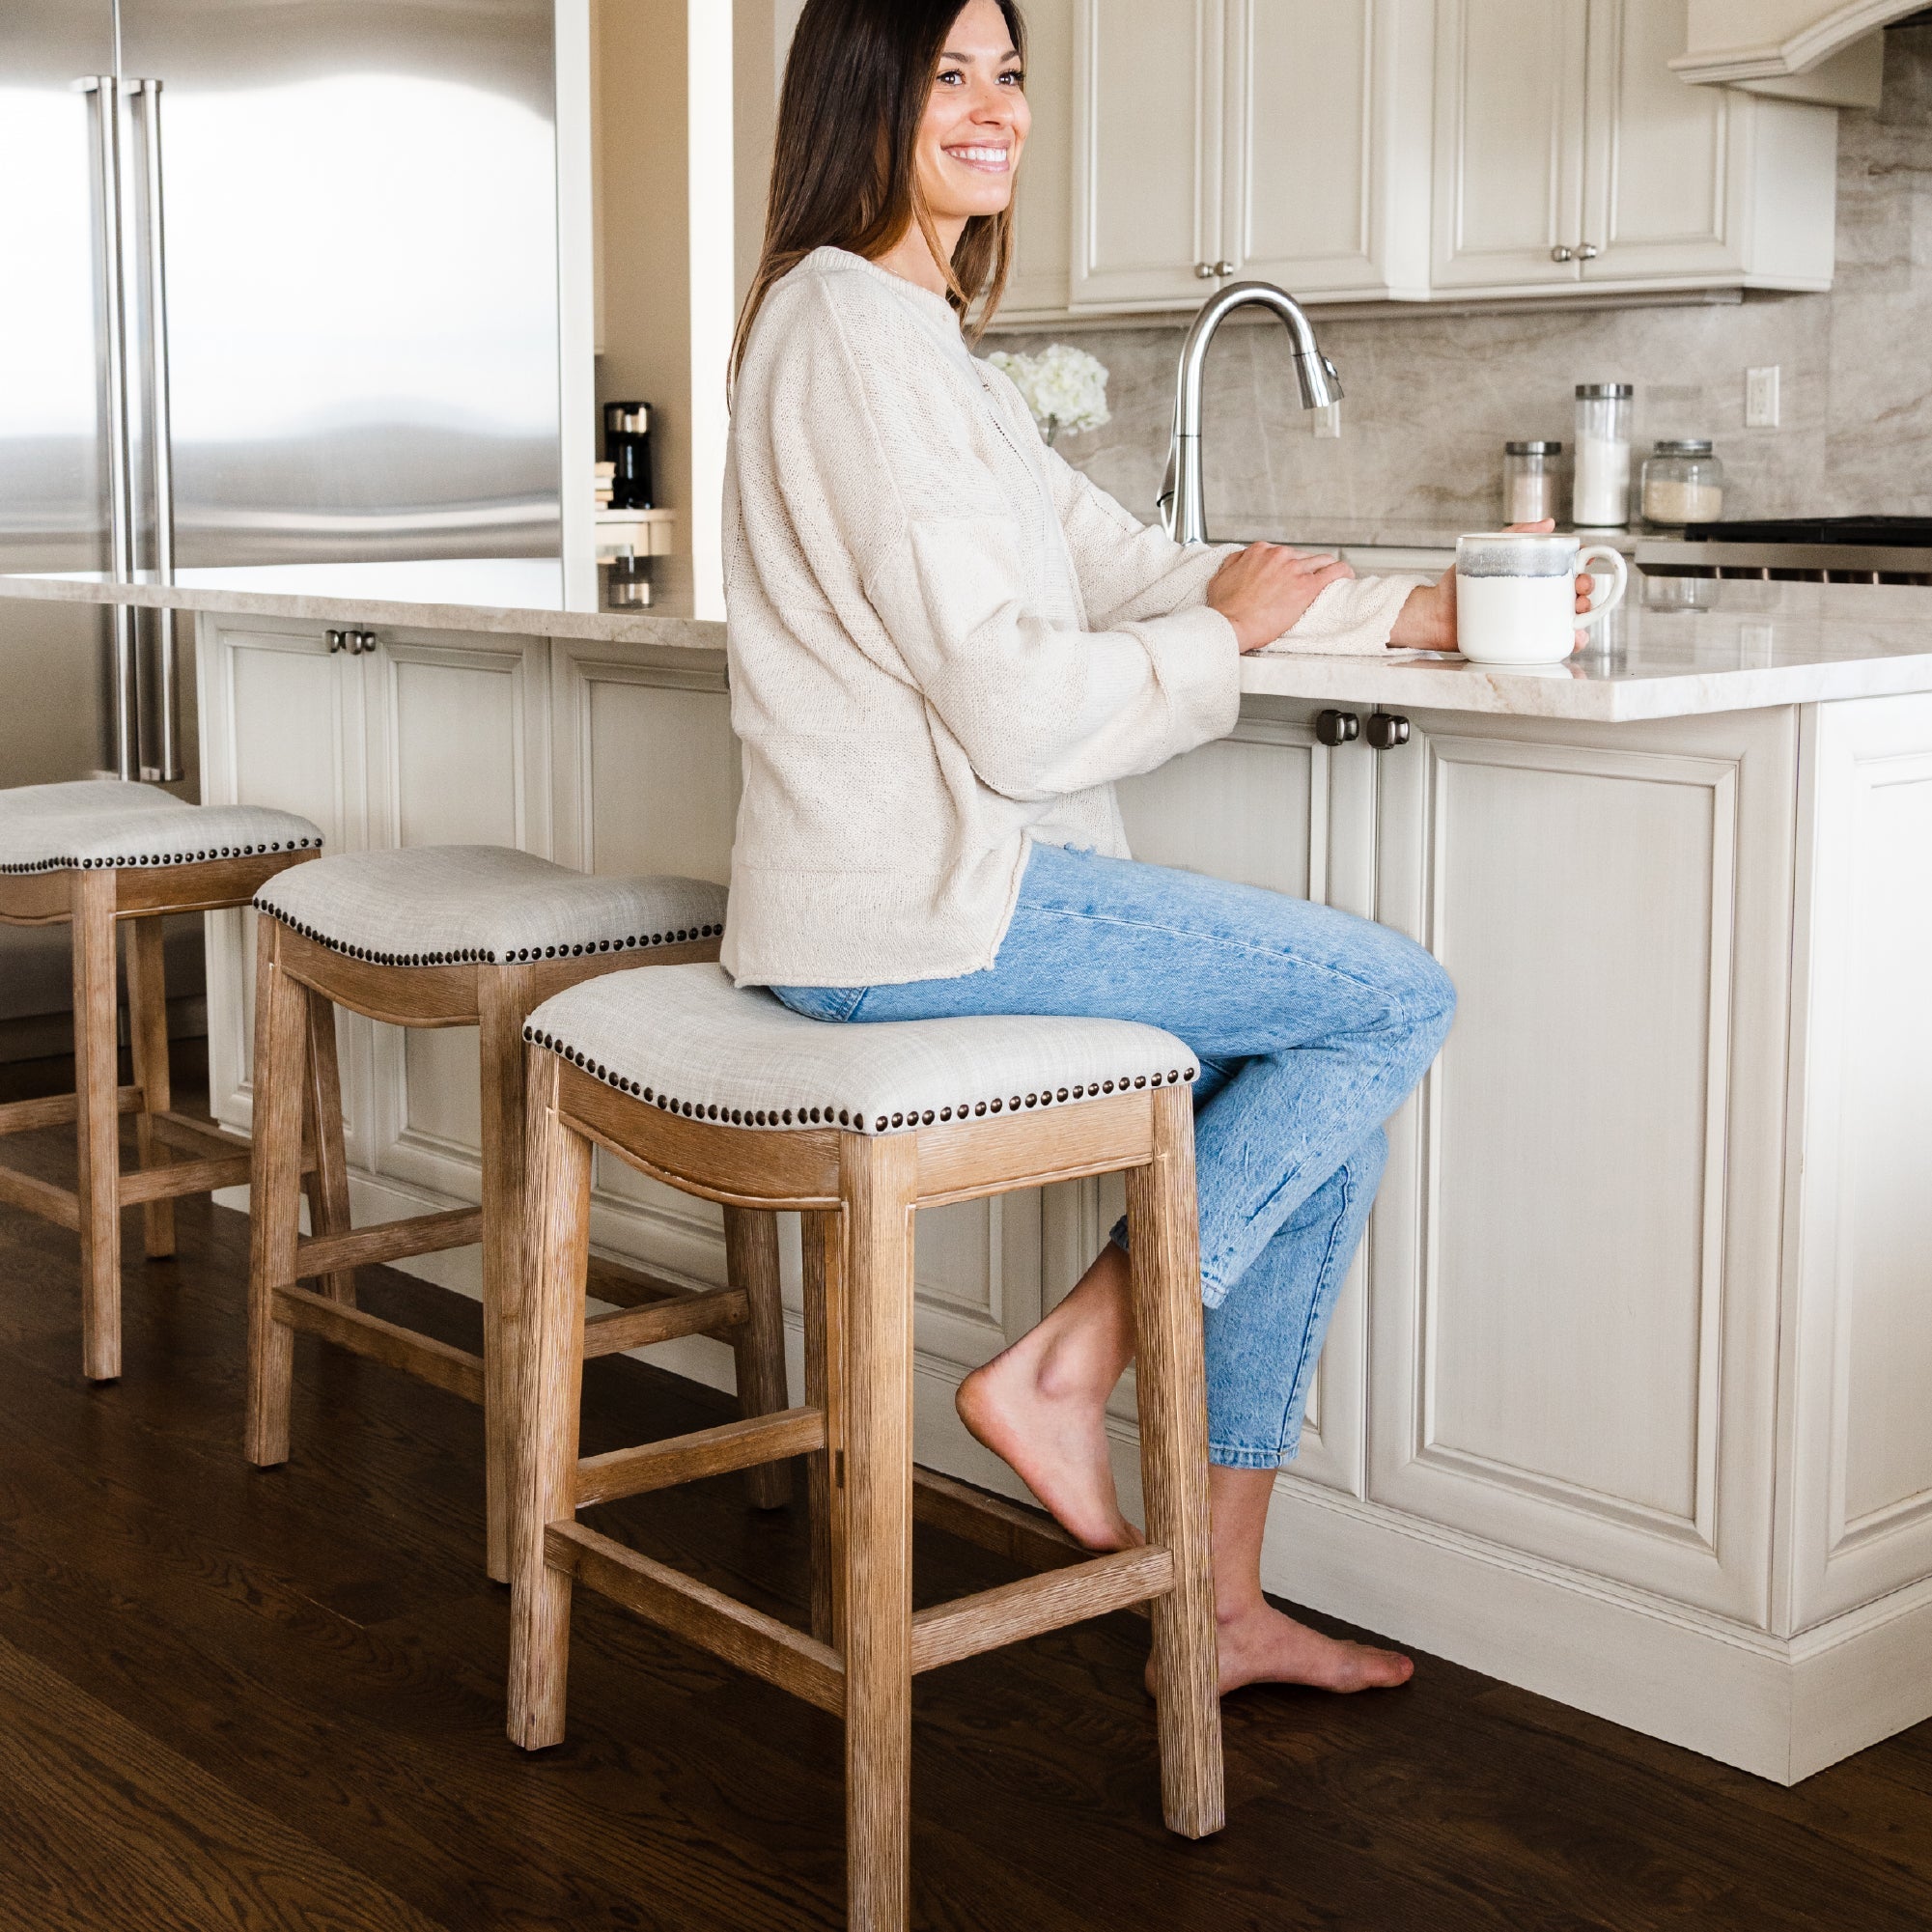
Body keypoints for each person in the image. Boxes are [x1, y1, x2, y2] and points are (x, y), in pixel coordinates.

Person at [722, 0, 1589, 1695]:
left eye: (1008, 75)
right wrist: (1227, 637)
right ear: (862, 99)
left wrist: (1405, 610)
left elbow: (1128, 566)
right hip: (909, 911)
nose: (992, 109)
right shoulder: (846, 333)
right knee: (1388, 1000)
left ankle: (1220, 1605)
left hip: (942, 897)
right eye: (946, 76)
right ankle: (1065, 1365)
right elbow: (1016, 710)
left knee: (1321, 1100)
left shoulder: (924, 346)